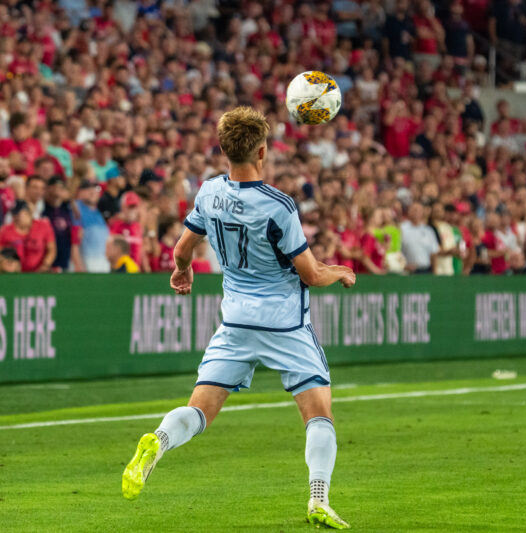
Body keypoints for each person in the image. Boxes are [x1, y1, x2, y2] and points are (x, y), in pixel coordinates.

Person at [122, 107, 356, 530]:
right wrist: (337, 271)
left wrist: (182, 270)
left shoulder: (209, 192)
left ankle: (159, 439)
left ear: (223, 149)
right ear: (262, 152)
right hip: (285, 325)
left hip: (235, 324)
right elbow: (309, 273)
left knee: (200, 410)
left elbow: (182, 248)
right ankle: (318, 497)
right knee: (318, 412)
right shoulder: (279, 206)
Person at [0, 203, 56, 273]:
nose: (15, 217)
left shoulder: (43, 226)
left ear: (28, 213)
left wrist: (45, 266)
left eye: (18, 214)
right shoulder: (5, 230)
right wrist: (5, 266)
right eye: (14, 214)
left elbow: (51, 250)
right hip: (15, 273)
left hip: (39, 271)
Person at [75, 178, 111, 272]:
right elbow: (74, 243)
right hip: (85, 268)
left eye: (96, 188)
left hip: (101, 268)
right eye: (87, 188)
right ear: (79, 191)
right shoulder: (76, 208)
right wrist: (79, 268)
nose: (93, 191)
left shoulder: (98, 213)